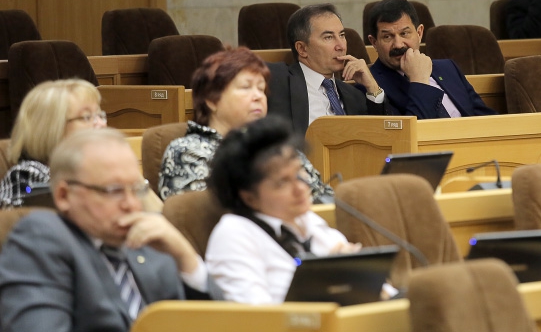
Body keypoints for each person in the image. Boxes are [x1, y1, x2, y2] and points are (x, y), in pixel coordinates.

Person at [0, 128, 208, 332]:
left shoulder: (150, 242)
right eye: (114, 191)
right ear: (64, 195)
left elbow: (217, 321)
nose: (132, 205)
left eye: (136, 190)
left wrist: (187, 258)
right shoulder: (42, 238)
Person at [205, 115, 364, 304]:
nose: (300, 187)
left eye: (299, 173)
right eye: (283, 182)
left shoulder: (307, 220)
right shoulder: (235, 234)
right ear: (249, 197)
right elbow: (256, 316)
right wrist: (331, 276)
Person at [158, 47, 334, 203]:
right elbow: (200, 219)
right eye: (246, 87)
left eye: (261, 89)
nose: (258, 96)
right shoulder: (189, 151)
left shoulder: (279, 146)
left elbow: (326, 200)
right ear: (212, 99)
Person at [267, 3, 387, 136]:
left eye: (342, 35)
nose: (341, 46)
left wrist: (373, 87)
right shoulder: (277, 79)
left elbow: (381, 136)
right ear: (302, 49)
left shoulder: (354, 95)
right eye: (328, 37)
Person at [367, 0, 497, 119]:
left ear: (419, 33)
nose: (398, 44)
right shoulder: (371, 87)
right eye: (387, 37)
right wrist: (420, 81)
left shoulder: (448, 68)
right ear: (374, 42)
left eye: (404, 33)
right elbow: (410, 131)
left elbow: (486, 118)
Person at [0, 79, 107, 207]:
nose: (101, 124)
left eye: (100, 115)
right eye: (87, 117)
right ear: (52, 129)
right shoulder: (27, 175)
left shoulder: (100, 168)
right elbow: (18, 219)